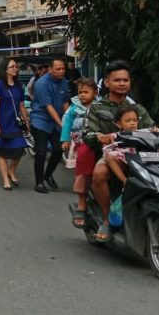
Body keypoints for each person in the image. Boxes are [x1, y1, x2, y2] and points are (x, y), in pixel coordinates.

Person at [83, 61, 157, 241]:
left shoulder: (137, 108)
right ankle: (107, 219)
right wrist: (100, 136)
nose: (122, 83)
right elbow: (87, 133)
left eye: (126, 80)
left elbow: (153, 128)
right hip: (113, 155)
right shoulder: (97, 108)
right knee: (99, 173)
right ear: (107, 83)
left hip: (139, 156)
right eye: (117, 80)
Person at [0, 59, 29, 190]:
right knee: (2, 152)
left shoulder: (18, 86)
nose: (16, 68)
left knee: (20, 148)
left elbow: (21, 105)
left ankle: (12, 170)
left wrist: (27, 121)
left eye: (16, 66)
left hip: (15, 122)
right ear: (5, 70)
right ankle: (5, 179)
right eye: (12, 66)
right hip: (2, 122)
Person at [60, 77, 98, 227]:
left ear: (95, 93)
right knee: (82, 169)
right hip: (80, 142)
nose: (82, 95)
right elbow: (67, 122)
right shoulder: (74, 107)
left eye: (86, 92)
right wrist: (65, 139)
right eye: (80, 92)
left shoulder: (101, 106)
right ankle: (82, 201)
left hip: (101, 142)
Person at [28, 57, 69, 192]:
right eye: (58, 69)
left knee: (58, 149)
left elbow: (64, 102)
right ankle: (39, 182)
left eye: (63, 69)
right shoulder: (41, 83)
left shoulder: (64, 82)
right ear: (50, 69)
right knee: (41, 151)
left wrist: (69, 118)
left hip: (56, 121)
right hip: (40, 120)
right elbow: (48, 107)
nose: (61, 71)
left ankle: (48, 174)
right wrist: (62, 123)